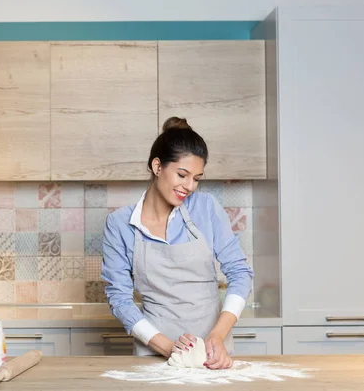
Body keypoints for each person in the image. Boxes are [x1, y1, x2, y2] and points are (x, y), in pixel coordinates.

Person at [101, 117, 254, 370]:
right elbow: (119, 299)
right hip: (154, 352)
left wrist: (217, 336)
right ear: (157, 166)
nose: (189, 186)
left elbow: (240, 273)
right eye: (182, 175)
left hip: (213, 352)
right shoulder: (120, 224)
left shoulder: (206, 208)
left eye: (196, 178)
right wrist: (170, 348)